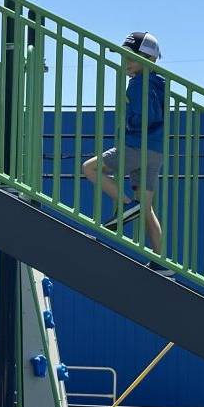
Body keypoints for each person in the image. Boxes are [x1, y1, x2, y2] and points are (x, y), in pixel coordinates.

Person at [81, 31, 173, 276]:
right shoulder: (160, 83)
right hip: (155, 151)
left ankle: (126, 206)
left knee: (90, 168)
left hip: (135, 146)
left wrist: (129, 123)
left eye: (131, 58)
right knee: (147, 208)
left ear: (149, 59)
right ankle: (162, 263)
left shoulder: (138, 84)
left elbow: (146, 116)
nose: (126, 62)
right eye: (124, 57)